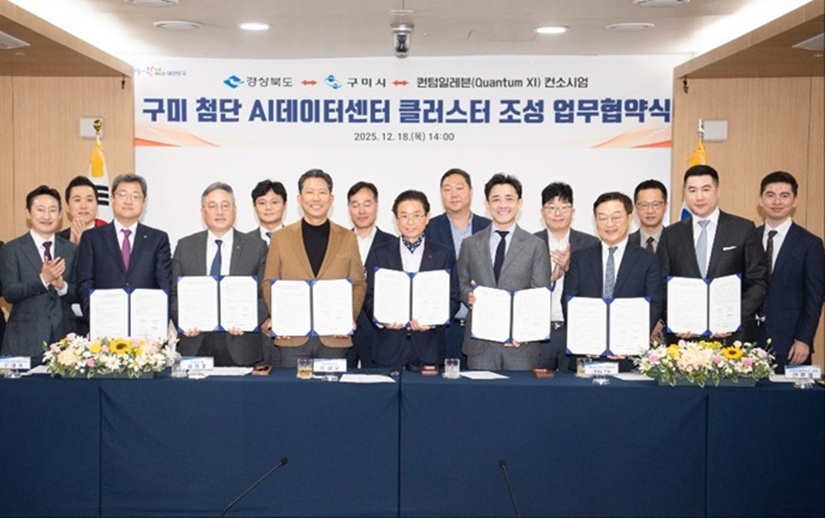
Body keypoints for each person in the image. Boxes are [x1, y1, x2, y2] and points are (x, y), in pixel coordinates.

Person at [262, 169, 366, 367]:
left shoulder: (348, 238)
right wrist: (281, 318)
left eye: (322, 192)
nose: (316, 198)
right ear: (299, 199)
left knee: (331, 387)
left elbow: (358, 284)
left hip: (334, 336)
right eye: (309, 192)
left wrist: (348, 317)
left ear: (331, 198)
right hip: (292, 336)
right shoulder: (281, 238)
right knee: (294, 387)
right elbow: (269, 282)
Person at [658, 165, 768, 344]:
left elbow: (758, 281)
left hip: (731, 339)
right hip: (684, 340)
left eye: (706, 189)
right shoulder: (671, 235)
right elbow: (661, 284)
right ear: (684, 194)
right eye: (692, 190)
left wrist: (734, 318)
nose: (699, 197)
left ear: (718, 191)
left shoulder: (743, 229)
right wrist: (673, 318)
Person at [458, 174, 551, 370]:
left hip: (520, 345)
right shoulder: (470, 244)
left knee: (520, 391)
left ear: (520, 203)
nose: (502, 205)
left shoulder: (536, 245)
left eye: (509, 199)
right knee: (481, 391)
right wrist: (468, 295)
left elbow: (539, 295)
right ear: (487, 204)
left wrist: (524, 333)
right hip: (481, 343)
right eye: (496, 199)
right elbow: (461, 282)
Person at [172, 182, 269, 367]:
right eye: (212, 206)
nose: (220, 212)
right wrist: (183, 321)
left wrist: (248, 322)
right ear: (203, 212)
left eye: (225, 205)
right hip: (195, 342)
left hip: (241, 344)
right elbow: (174, 294)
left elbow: (264, 295)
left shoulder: (256, 247)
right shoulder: (185, 246)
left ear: (235, 210)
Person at [563, 192, 663, 370]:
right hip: (587, 356)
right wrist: (586, 340)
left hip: (630, 358)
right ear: (595, 221)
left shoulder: (647, 260)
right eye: (602, 218)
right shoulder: (580, 258)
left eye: (616, 217)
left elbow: (654, 304)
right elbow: (569, 301)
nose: (609, 224)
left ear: (630, 218)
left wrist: (630, 343)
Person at [365, 190, 459, 370]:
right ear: (396, 219)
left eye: (416, 215)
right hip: (389, 346)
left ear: (427, 217)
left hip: (429, 347)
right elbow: (369, 296)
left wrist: (433, 320)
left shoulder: (443, 254)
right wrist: (382, 319)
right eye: (404, 216)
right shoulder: (380, 253)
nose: (410, 222)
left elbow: (453, 298)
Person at [76, 173, 173, 330]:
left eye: (135, 196)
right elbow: (85, 283)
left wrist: (158, 325)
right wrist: (96, 320)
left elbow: (164, 286)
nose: (128, 201)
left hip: (145, 329)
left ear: (144, 202)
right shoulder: (91, 238)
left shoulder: (158, 239)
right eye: (122, 195)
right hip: (104, 327)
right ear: (112, 199)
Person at [755, 171, 824, 372]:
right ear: (760, 200)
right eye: (770, 195)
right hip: (750, 341)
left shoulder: (810, 244)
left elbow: (815, 297)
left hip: (791, 343)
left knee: (787, 393)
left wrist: (804, 339)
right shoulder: (749, 238)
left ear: (795, 201)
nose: (777, 201)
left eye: (784, 195)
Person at [424, 168, 491, 368]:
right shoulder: (428, 229)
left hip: (481, 329)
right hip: (442, 329)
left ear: (471, 191)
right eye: (447, 189)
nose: (453, 194)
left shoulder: (488, 228)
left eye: (459, 188)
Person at [0, 186, 76, 362]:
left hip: (64, 342)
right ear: (28, 213)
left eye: (53, 210)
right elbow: (9, 293)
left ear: (60, 215)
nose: (47, 216)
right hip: (24, 341)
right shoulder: (11, 249)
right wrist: (43, 280)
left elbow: (79, 292)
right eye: (40, 210)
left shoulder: (71, 250)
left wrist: (62, 286)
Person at [533, 182, 598, 371]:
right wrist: (551, 278)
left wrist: (571, 268)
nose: (558, 213)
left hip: (577, 331)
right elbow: (522, 287)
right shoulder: (530, 243)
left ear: (573, 211)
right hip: (540, 333)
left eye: (564, 207)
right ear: (542, 212)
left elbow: (596, 287)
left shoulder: (591, 244)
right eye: (551, 207)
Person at [347, 181, 395, 368]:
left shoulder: (392, 244)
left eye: (367, 204)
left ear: (377, 206)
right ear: (348, 208)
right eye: (355, 204)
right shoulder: (337, 242)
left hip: (380, 334)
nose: (361, 211)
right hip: (343, 332)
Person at [57, 176, 107, 244]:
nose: (83, 206)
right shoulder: (57, 240)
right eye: (77, 200)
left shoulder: (109, 238)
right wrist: (72, 246)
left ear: (97, 205)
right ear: (67, 207)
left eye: (89, 200)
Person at [629, 179, 668, 254]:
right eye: (644, 205)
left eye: (656, 204)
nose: (650, 211)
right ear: (635, 208)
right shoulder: (626, 243)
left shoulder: (677, 242)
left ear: (665, 206)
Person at [248, 179, 288, 247]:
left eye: (274, 202)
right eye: (262, 203)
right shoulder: (245, 242)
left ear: (284, 205)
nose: (268, 208)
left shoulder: (296, 238)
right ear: (254, 207)